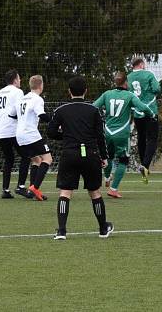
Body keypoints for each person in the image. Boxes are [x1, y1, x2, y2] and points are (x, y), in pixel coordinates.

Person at [47, 76, 114, 240]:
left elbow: (50, 132)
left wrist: (66, 135)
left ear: (69, 92)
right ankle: (103, 229)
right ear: (86, 91)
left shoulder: (61, 110)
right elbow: (100, 136)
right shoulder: (93, 110)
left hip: (69, 154)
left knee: (65, 192)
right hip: (90, 155)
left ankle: (61, 231)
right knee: (95, 192)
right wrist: (104, 157)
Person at [92, 71, 154, 198]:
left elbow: (93, 107)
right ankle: (113, 189)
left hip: (107, 132)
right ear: (126, 82)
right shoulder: (129, 95)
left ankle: (107, 177)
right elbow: (142, 107)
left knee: (107, 157)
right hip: (121, 133)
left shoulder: (107, 94)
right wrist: (152, 114)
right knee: (123, 160)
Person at [13, 75, 53, 201]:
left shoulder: (22, 99)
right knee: (48, 158)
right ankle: (35, 187)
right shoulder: (37, 99)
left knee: (36, 160)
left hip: (19, 135)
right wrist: (57, 122)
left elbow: (12, 115)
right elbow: (42, 115)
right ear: (41, 86)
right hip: (30, 134)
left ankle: (32, 189)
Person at [0, 69, 31, 199]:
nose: (20, 81)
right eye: (19, 78)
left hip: (0, 131)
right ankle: (21, 186)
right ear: (15, 80)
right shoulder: (18, 92)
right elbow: (19, 111)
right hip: (13, 130)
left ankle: (5, 190)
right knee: (26, 156)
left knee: (9, 159)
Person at [128, 58, 161, 183]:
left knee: (141, 138)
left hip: (137, 112)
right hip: (150, 110)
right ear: (141, 64)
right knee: (152, 138)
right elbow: (157, 89)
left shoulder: (129, 77)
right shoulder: (148, 74)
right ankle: (145, 165)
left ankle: (142, 163)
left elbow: (128, 93)